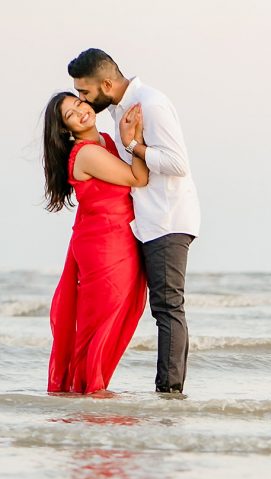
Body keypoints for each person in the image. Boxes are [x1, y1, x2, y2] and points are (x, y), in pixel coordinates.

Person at [69, 48, 200, 394]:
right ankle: (166, 389)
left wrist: (134, 146)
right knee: (162, 308)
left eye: (85, 92)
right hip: (149, 220)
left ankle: (169, 392)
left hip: (168, 217)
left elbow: (177, 163)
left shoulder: (150, 104)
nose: (82, 100)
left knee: (168, 307)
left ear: (107, 83)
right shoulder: (121, 109)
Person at [42, 91, 149, 395]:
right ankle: (90, 391)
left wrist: (126, 140)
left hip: (118, 238)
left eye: (79, 103)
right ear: (66, 129)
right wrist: (133, 139)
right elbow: (137, 178)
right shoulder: (87, 152)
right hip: (103, 245)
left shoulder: (103, 139)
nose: (81, 111)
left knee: (121, 314)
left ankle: (89, 392)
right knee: (101, 320)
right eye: (71, 114)